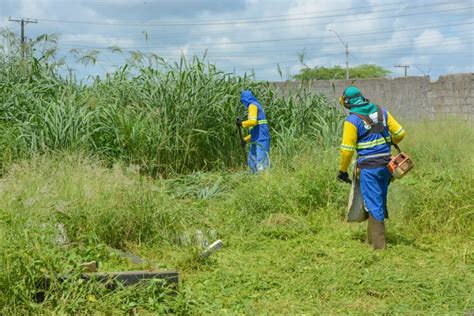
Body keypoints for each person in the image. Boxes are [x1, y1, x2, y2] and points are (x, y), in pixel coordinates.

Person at [337, 86, 406, 250]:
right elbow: (401, 133)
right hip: (386, 166)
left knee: (373, 202)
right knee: (378, 199)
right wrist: (389, 141)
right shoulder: (382, 112)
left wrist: (342, 171)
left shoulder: (352, 120)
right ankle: (371, 239)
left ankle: (379, 247)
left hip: (369, 168)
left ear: (348, 103)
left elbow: (347, 151)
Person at [236, 90, 271, 173]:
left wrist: (241, 123)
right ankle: (254, 178)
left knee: (261, 162)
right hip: (256, 139)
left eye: (242, 101)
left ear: (245, 100)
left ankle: (264, 181)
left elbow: (253, 122)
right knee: (252, 162)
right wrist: (245, 140)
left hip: (262, 140)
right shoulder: (254, 107)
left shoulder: (252, 106)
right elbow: (255, 132)